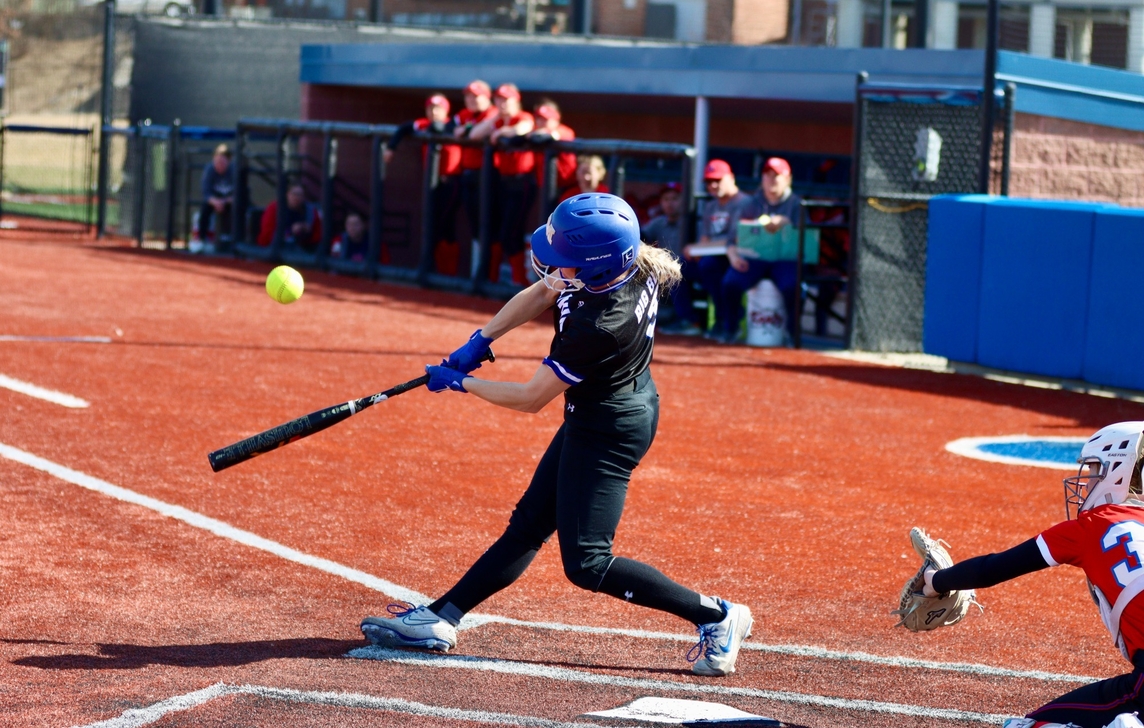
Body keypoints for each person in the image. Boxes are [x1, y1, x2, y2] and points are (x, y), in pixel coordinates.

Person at [360, 193, 754, 677]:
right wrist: (481, 341)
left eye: (563, 258)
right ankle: (442, 617)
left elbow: (530, 398)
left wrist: (462, 382)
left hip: (609, 428)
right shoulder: (622, 265)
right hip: (605, 408)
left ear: (593, 264)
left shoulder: (600, 324)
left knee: (587, 563)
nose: (550, 264)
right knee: (529, 524)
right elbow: (545, 291)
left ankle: (718, 616)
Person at [914, 422, 1144, 728]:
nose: (1088, 481)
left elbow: (991, 569)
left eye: (1094, 470)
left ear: (1119, 469)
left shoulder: (1090, 527)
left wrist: (934, 581)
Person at [703, 156, 802, 345]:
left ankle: (791, 333)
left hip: (784, 261)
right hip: (754, 259)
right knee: (730, 282)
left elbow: (806, 241)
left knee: (793, 286)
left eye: (777, 175)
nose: (771, 180)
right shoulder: (751, 204)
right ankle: (731, 328)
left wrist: (787, 224)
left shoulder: (797, 205)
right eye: (767, 175)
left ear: (787, 179)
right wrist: (733, 256)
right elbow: (733, 239)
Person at [385, 93, 464, 275]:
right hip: (432, 183)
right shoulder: (424, 124)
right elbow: (404, 127)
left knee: (444, 225)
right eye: (431, 108)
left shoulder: (454, 124)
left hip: (451, 182)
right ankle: (437, 272)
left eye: (438, 108)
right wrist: (391, 147)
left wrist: (444, 128)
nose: (434, 111)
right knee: (433, 225)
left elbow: (456, 129)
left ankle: (448, 274)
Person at [470, 83, 536, 286]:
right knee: (497, 232)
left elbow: (523, 128)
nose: (502, 103)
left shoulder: (523, 117)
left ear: (516, 101)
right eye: (498, 99)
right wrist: (495, 121)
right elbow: (474, 135)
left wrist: (501, 132)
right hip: (503, 183)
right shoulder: (497, 120)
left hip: (522, 181)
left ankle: (520, 283)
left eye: (506, 99)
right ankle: (492, 280)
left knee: (511, 232)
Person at [682, 159, 753, 341]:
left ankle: (725, 321)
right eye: (709, 182)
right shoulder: (711, 206)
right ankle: (688, 320)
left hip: (736, 258)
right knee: (677, 266)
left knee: (709, 265)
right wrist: (697, 249)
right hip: (712, 256)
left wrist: (700, 248)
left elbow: (734, 240)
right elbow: (705, 238)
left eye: (718, 180)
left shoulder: (745, 203)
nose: (713, 185)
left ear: (731, 178)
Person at [454, 80, 498, 270]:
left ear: (487, 97)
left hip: (489, 177)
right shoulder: (465, 114)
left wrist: (468, 129)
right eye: (468, 96)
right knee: (474, 226)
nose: (471, 99)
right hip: (469, 174)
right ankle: (477, 272)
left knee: (489, 226)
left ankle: (489, 275)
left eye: (476, 95)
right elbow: (452, 130)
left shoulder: (494, 113)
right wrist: (467, 128)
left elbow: (475, 134)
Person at [529, 99, 577, 194]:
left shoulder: (565, 131)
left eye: (546, 119)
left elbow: (554, 135)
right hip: (544, 185)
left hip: (565, 185)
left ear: (556, 119)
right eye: (539, 118)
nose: (542, 122)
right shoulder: (534, 132)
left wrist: (537, 134)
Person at [257, 183, 322, 251]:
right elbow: (267, 236)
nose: (297, 198)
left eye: (300, 195)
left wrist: (307, 231)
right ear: (287, 194)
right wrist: (290, 231)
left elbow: (318, 236)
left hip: (302, 248)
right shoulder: (275, 209)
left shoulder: (310, 211)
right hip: (274, 249)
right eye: (294, 194)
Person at [194, 144, 235, 249]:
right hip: (214, 202)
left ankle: (233, 243)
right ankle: (201, 240)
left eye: (222, 162)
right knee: (204, 209)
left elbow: (239, 194)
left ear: (229, 161)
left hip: (229, 202)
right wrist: (216, 202)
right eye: (217, 161)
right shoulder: (209, 170)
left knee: (236, 210)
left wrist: (224, 202)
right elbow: (206, 192)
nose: (219, 164)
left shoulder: (234, 171)